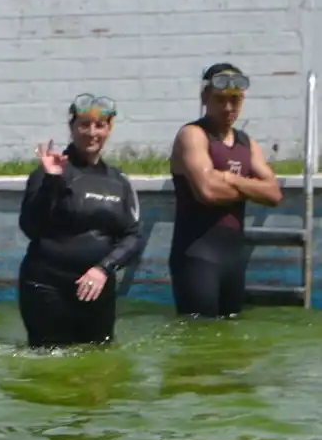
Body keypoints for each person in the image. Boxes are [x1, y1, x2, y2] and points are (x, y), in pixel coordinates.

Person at [17, 95, 144, 348]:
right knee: (49, 366)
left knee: (98, 363)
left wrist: (103, 268)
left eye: (100, 125)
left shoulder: (119, 180)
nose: (92, 133)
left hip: (97, 287)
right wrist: (51, 182)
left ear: (109, 129)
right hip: (47, 286)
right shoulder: (50, 170)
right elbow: (31, 227)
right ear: (72, 128)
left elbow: (133, 236)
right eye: (84, 125)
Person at [168, 63, 282, 318]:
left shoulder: (246, 142)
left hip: (233, 261)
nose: (229, 108)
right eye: (221, 100)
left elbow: (274, 194)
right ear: (205, 97)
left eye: (235, 100)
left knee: (231, 341)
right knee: (201, 340)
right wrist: (252, 187)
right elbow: (207, 192)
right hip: (196, 258)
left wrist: (231, 179)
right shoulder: (193, 135)